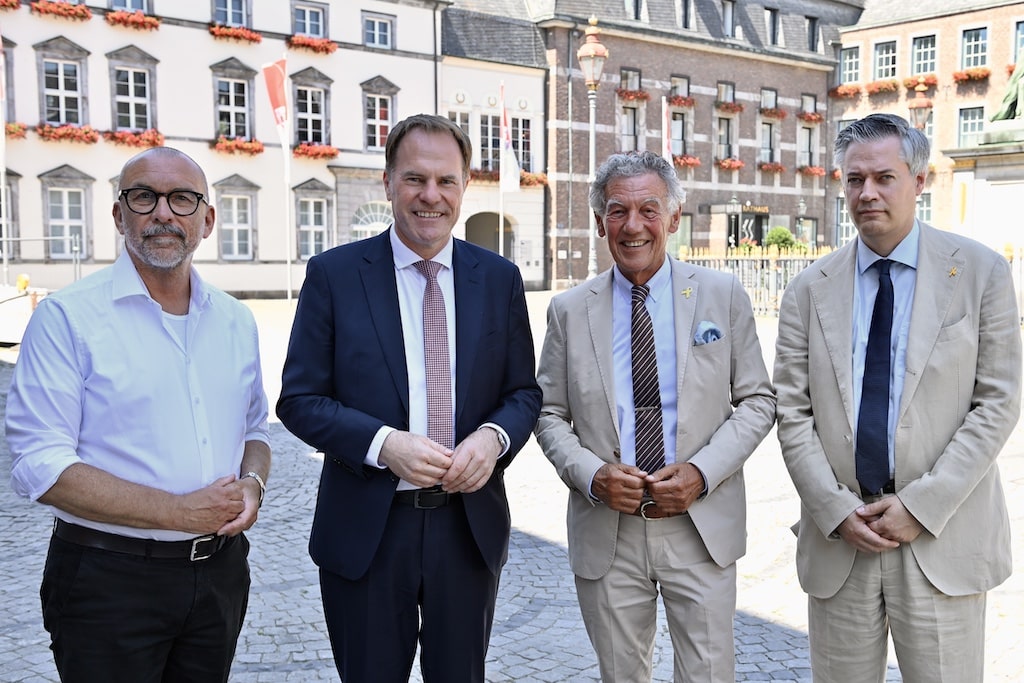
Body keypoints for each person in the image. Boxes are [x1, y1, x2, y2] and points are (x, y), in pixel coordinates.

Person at [276, 113, 541, 683]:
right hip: (370, 530)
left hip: (466, 529)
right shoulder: (335, 275)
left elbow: (522, 392)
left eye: (446, 181)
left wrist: (493, 440)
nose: (431, 195)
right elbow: (299, 399)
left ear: (466, 185)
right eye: (415, 179)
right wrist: (382, 444)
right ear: (389, 182)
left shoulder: (498, 279)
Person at [5, 146, 272, 683]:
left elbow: (255, 431)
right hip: (108, 580)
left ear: (207, 218)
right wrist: (177, 512)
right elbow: (40, 464)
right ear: (119, 213)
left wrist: (252, 485)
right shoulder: (67, 318)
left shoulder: (236, 320)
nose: (163, 213)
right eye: (145, 196)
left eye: (182, 198)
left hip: (218, 574)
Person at [774, 113, 1021, 682]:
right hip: (843, 539)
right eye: (854, 179)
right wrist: (833, 511)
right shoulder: (810, 289)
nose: (868, 193)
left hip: (942, 538)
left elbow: (997, 403)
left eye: (884, 177)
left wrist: (921, 506)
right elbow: (792, 413)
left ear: (920, 180)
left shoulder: (980, 273)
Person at [534, 150, 776, 682]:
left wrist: (702, 472)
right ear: (600, 223)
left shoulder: (722, 295)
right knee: (621, 675)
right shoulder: (569, 310)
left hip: (699, 524)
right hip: (607, 529)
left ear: (673, 218)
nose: (633, 225)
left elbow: (759, 401)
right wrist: (592, 476)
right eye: (618, 211)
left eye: (649, 209)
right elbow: (548, 413)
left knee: (709, 675)